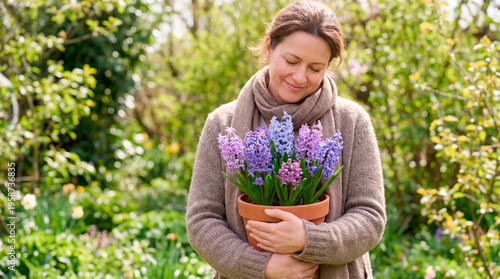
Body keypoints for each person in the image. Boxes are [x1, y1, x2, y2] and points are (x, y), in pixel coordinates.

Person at [186, 0, 386, 278]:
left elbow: (370, 218)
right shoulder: (223, 123)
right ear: (269, 47)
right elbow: (202, 221)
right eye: (291, 61)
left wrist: (308, 239)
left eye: (316, 68)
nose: (300, 76)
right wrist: (262, 266)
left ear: (330, 66)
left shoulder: (351, 121)